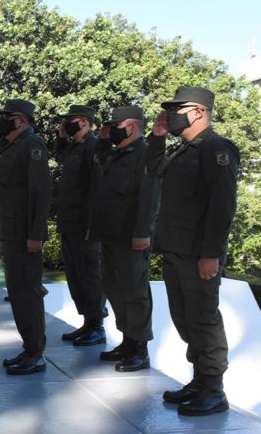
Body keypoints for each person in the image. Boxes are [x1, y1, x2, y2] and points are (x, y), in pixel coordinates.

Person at [145, 86, 239, 416]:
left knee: (203, 320)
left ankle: (214, 390)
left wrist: (211, 254)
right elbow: (152, 169)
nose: (171, 115)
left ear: (198, 111)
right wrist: (157, 136)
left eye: (177, 109)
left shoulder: (216, 147)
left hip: (199, 254)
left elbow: (223, 205)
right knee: (185, 320)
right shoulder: (181, 150)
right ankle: (199, 381)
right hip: (175, 249)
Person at [91, 106, 160, 372]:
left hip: (132, 237)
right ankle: (126, 340)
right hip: (111, 234)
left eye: (116, 125)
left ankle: (140, 349)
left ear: (131, 127)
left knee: (135, 293)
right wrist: (104, 138)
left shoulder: (145, 154)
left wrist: (143, 232)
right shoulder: (118, 154)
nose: (112, 129)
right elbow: (100, 158)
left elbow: (150, 197)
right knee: (115, 288)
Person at [0, 99, 52, 375]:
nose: (1, 121)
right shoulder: (15, 147)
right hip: (10, 234)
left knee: (28, 294)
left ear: (21, 120)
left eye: (6, 117)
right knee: (18, 294)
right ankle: (29, 348)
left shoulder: (32, 146)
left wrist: (35, 234)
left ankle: (35, 353)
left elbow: (40, 193)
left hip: (23, 235)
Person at [54, 105, 106, 346]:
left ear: (85, 122)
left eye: (71, 120)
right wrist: (61, 138)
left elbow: (97, 187)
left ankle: (97, 325)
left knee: (88, 274)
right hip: (69, 221)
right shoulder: (74, 148)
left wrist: (93, 223)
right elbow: (60, 157)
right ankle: (87, 322)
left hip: (84, 224)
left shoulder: (93, 147)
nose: (67, 124)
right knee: (74, 274)